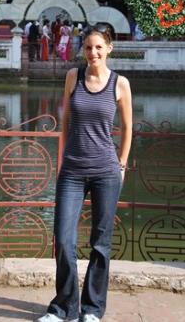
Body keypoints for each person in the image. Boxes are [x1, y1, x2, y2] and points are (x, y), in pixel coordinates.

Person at [38, 25, 133, 322]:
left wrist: (121, 164)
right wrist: (63, 157)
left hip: (106, 171)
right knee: (64, 240)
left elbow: (129, 128)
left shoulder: (120, 84)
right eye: (88, 48)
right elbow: (65, 121)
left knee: (100, 243)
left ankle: (91, 310)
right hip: (73, 171)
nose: (93, 53)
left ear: (109, 49)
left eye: (98, 47)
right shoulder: (72, 77)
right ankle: (63, 308)